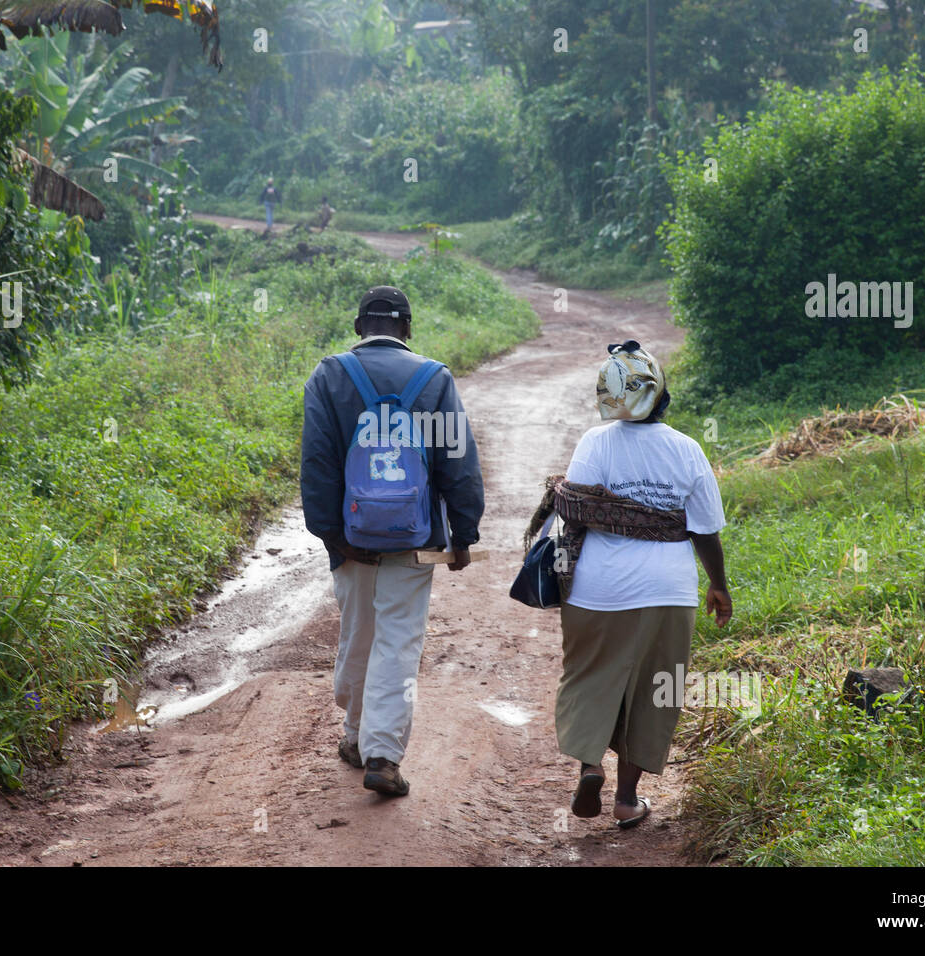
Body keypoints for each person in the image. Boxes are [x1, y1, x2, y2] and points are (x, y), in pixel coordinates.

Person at [532, 340, 731, 828]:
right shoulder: (687, 448)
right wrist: (719, 585)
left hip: (597, 589)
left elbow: (575, 515)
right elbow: (705, 530)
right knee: (655, 689)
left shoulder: (594, 443)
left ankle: (589, 764)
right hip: (668, 590)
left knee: (590, 675)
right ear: (661, 394)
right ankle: (626, 800)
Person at [301, 285, 484, 797]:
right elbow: (458, 462)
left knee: (358, 634)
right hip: (414, 536)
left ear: (359, 327)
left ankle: (357, 736)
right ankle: (378, 752)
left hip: (352, 536)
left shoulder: (330, 375)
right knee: (397, 642)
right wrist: (463, 533)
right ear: (408, 328)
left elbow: (316, 462)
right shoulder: (435, 379)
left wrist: (331, 534)